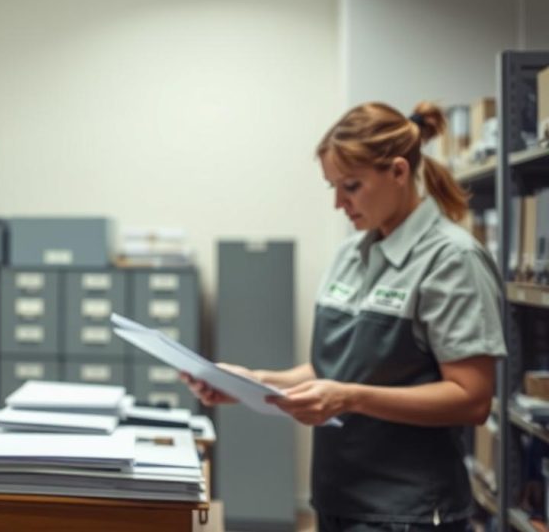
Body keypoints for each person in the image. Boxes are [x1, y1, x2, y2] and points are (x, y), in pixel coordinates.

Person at [183, 102, 506, 531]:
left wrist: (350, 397)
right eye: (333, 187)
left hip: (406, 511)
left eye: (351, 186)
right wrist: (253, 381)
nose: (339, 203)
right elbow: (337, 370)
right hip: (339, 501)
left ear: (397, 172)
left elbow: (472, 398)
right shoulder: (350, 255)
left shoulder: (451, 259)